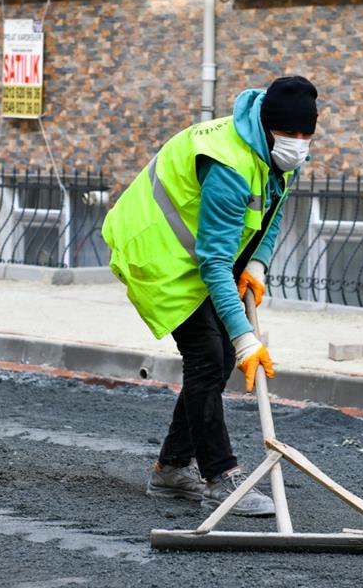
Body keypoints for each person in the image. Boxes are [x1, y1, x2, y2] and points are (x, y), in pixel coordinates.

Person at [102, 76, 318, 517]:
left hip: (198, 252)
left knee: (215, 362)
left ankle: (171, 468)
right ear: (268, 124)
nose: (298, 143)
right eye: (291, 134)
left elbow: (272, 214)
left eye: (306, 134)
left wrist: (257, 265)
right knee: (208, 355)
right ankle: (220, 478)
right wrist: (244, 339)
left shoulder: (276, 152)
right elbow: (215, 264)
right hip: (157, 252)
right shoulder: (228, 164)